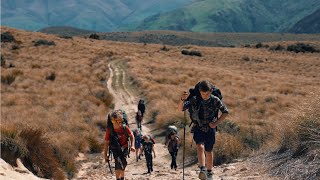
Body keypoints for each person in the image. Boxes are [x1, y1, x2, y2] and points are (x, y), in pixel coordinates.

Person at [178, 80, 229, 180]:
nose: (205, 96)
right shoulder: (194, 99)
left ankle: (209, 173)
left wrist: (215, 123)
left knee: (209, 151)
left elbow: (225, 112)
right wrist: (182, 99)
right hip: (198, 127)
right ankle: (202, 169)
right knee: (200, 146)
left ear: (211, 91)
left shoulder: (215, 100)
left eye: (207, 93)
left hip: (210, 128)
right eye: (203, 93)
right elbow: (181, 108)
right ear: (200, 91)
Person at [104, 110, 135, 180]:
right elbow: (106, 143)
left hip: (125, 147)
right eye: (119, 121)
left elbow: (131, 135)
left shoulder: (124, 127)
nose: (121, 123)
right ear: (113, 121)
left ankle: (122, 177)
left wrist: (132, 146)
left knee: (123, 162)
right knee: (118, 163)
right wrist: (105, 155)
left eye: (122, 121)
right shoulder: (110, 130)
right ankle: (118, 178)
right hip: (115, 148)